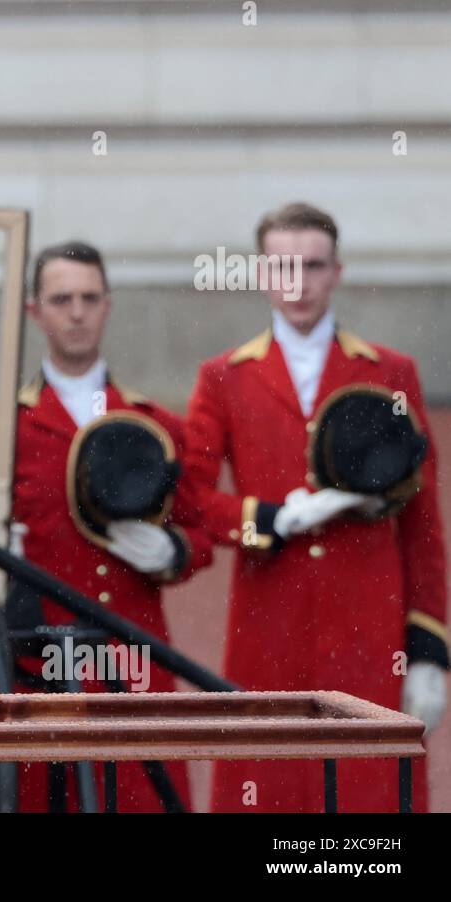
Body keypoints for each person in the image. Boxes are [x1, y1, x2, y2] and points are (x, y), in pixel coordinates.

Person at [186, 202, 448, 812]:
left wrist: (429, 652)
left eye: (313, 265)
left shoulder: (390, 372)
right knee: (270, 784)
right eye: (283, 266)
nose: (298, 283)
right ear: (260, 274)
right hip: (269, 621)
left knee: (369, 798)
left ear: (338, 272)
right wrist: (268, 519)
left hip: (370, 624)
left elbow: (423, 523)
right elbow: (193, 500)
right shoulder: (224, 376)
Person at [0, 241, 213, 812]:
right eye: (61, 299)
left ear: (108, 306)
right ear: (34, 311)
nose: (76, 312)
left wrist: (169, 550)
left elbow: (201, 539)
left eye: (89, 298)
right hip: (37, 669)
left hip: (136, 664)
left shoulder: (157, 425)